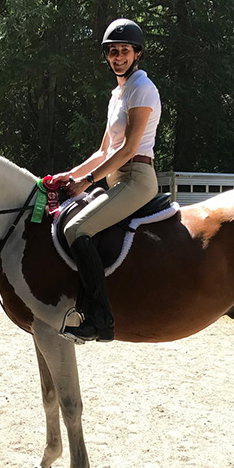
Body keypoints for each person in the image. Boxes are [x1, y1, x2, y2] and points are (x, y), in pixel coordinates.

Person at [51, 18, 162, 343]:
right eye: (112, 52)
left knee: (76, 229)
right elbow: (103, 151)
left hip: (137, 177)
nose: (118, 57)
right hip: (115, 178)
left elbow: (128, 149)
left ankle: (101, 319)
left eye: (124, 51)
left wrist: (86, 181)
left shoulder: (142, 88)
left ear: (137, 53)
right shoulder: (118, 94)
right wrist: (69, 175)